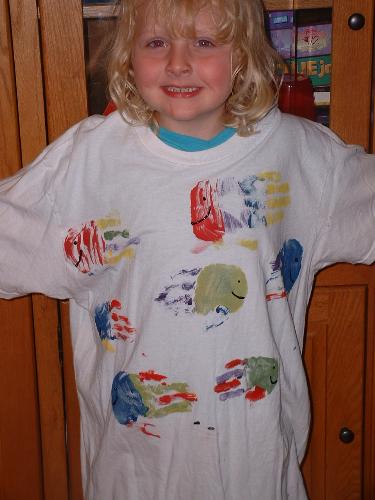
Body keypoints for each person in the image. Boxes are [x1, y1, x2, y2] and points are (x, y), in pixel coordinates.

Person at [0, 0, 374, 499]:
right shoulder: (89, 162)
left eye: (204, 42)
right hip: (134, 468)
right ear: (128, 56)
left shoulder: (302, 157)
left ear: (241, 55)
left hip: (255, 463)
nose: (178, 62)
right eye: (156, 43)